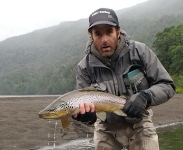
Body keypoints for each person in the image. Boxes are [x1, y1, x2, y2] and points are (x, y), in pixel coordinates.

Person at [73, 8, 175, 150]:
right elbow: (82, 104)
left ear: (118, 31)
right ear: (91, 36)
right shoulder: (84, 68)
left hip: (140, 122)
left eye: (109, 32)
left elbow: (167, 85)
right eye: (98, 34)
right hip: (106, 128)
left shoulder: (140, 52)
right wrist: (86, 117)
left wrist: (145, 96)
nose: (104, 40)